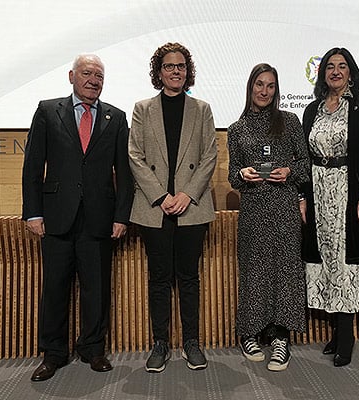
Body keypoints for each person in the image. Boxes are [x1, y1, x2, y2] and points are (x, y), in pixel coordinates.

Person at [22, 54, 133, 381]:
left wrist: (121, 216)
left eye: (99, 75)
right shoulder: (47, 110)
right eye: (87, 73)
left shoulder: (116, 117)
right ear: (72, 75)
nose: (93, 80)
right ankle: (53, 353)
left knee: (96, 288)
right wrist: (33, 211)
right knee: (55, 288)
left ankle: (92, 348)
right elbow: (32, 167)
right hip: (56, 217)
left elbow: (124, 174)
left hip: (100, 218)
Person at [128, 42, 217, 373]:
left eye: (181, 66)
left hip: (191, 208)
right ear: (159, 71)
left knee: (189, 277)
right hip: (155, 208)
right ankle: (161, 343)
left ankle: (191, 342)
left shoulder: (202, 109)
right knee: (159, 278)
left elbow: (210, 155)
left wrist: (187, 195)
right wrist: (161, 196)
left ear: (187, 71)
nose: (175, 71)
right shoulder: (142, 109)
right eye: (169, 66)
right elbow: (135, 155)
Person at [300, 47, 359, 367]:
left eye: (342, 66)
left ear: (351, 71)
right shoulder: (313, 110)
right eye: (330, 67)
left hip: (350, 188)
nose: (336, 71)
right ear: (323, 74)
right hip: (319, 189)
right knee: (327, 258)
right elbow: (304, 158)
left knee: (346, 260)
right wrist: (304, 196)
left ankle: (346, 335)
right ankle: (335, 331)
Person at [227, 63, 311, 372]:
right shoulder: (237, 129)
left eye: (271, 86)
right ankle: (250, 333)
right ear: (250, 87)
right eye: (259, 85)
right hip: (253, 210)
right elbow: (232, 175)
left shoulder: (289, 122)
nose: (264, 91)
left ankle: (280, 337)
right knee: (254, 271)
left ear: (276, 90)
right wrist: (242, 172)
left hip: (285, 208)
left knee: (285, 272)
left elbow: (305, 164)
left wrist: (289, 171)